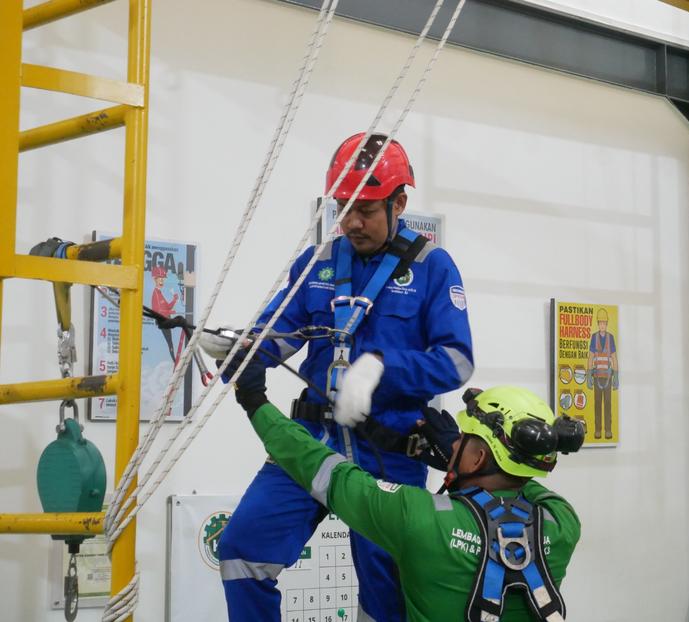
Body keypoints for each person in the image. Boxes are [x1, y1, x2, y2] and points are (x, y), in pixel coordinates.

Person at [208, 133, 475, 621]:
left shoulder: (432, 268)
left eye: (366, 210)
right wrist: (240, 349)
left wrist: (381, 369)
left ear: (399, 203)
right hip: (313, 441)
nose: (350, 221)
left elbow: (457, 361)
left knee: (386, 596)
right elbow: (279, 336)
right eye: (342, 207)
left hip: (390, 453)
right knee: (241, 552)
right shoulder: (317, 265)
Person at [227, 351, 582, 622]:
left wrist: (255, 400)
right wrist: (464, 461)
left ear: (477, 460)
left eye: (462, 439)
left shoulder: (420, 519)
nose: (453, 442)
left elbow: (321, 467)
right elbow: (529, 485)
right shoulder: (563, 524)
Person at [587, 308, 619, 440]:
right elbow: (590, 357)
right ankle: (598, 430)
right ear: (597, 323)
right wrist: (589, 374)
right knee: (597, 404)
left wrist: (616, 375)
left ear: (606, 324)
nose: (602, 325)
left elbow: (614, 357)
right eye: (600, 322)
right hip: (597, 377)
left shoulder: (610, 338)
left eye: (604, 323)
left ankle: (608, 430)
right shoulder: (594, 338)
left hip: (607, 377)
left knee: (607, 404)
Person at [150, 266, 179, 361]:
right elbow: (158, 311)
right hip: (162, 322)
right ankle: (174, 360)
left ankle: (175, 359)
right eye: (160, 278)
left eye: (163, 279)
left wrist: (174, 299)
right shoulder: (155, 294)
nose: (162, 281)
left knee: (171, 342)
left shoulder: (160, 294)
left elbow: (168, 307)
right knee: (170, 342)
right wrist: (170, 312)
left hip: (167, 320)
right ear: (155, 279)